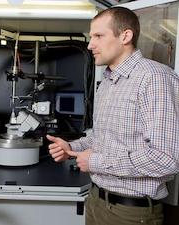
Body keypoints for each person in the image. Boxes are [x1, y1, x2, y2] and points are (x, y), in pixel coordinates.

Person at [47, 7, 179, 225]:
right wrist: (72, 147)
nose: (90, 45)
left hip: (131, 213)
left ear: (125, 36)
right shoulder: (107, 82)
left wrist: (96, 162)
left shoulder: (155, 78)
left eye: (99, 36)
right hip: (96, 201)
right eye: (91, 37)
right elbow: (102, 137)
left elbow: (166, 159)